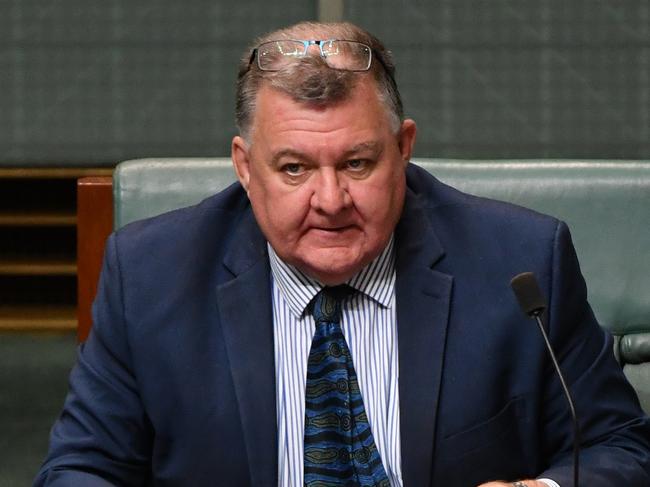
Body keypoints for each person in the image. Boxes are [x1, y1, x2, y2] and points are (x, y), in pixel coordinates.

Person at [36, 21, 650, 487]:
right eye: (295, 168)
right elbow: (83, 467)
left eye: (357, 163)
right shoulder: (148, 274)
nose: (330, 200)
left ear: (403, 149)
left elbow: (620, 444)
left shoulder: (520, 261)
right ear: (246, 169)